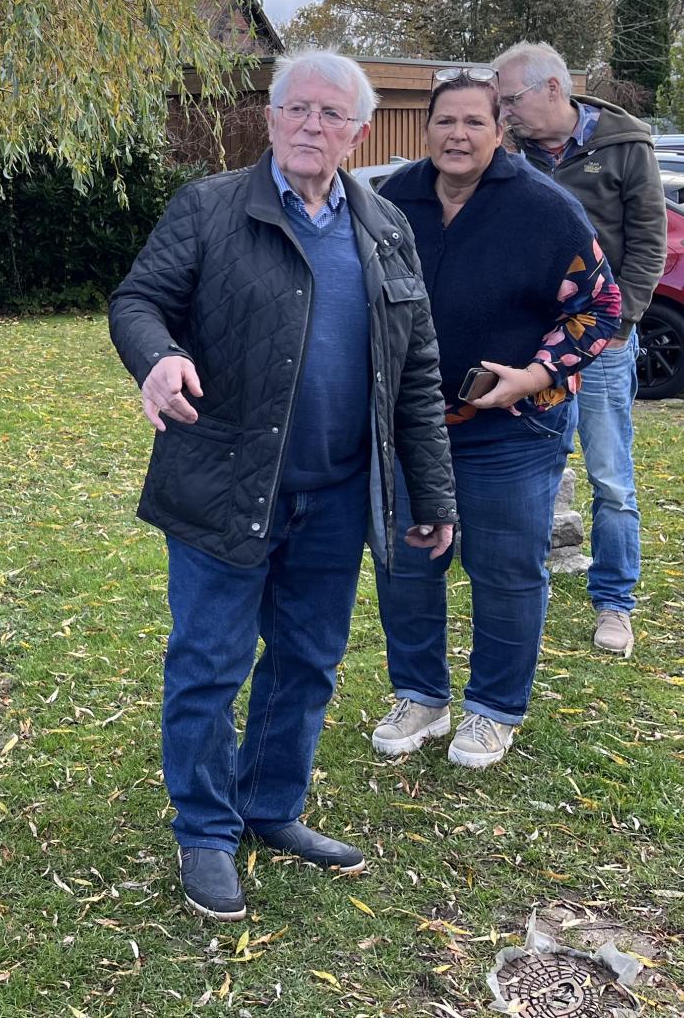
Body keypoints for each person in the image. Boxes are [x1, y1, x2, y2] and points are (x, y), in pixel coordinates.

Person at [109, 49, 457, 923]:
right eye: (297, 108)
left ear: (358, 134)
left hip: (336, 496)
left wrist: (432, 494)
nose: (311, 125)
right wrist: (158, 358)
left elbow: (416, 370)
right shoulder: (210, 207)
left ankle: (269, 805)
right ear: (269, 119)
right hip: (225, 484)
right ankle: (205, 830)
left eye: (331, 114)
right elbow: (137, 302)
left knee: (307, 659)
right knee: (210, 664)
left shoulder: (384, 226)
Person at [369, 72, 622, 770]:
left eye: (474, 122)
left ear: (500, 132)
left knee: (505, 569)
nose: (458, 135)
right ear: (426, 128)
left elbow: (600, 307)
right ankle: (421, 695)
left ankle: (494, 709)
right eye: (445, 121)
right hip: (413, 424)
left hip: (514, 427)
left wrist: (535, 375)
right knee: (407, 564)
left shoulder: (545, 209)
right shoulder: (393, 200)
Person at [492, 41, 666, 659]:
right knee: (533, 468)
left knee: (610, 477)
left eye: (510, 99)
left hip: (605, 341)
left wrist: (618, 327)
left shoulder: (625, 146)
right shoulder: (508, 152)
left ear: (553, 89)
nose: (503, 111)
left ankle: (614, 602)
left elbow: (649, 243)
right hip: (532, 346)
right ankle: (523, 589)